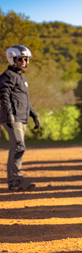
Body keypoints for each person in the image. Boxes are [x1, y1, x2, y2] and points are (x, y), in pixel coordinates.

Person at [0, 45, 40, 191]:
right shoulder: (7, 76)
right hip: (12, 117)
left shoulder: (21, 77)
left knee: (16, 147)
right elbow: (4, 96)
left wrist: (34, 114)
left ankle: (13, 182)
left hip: (21, 117)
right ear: (12, 59)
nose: (23, 61)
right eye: (20, 59)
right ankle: (16, 180)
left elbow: (26, 100)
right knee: (18, 146)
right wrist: (9, 114)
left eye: (25, 59)